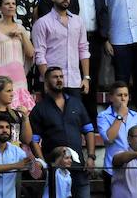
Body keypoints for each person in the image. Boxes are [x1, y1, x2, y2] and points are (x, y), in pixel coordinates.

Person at [38, 0, 108, 118]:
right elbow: (45, 7)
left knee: (90, 83)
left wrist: (105, 36)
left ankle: (89, 124)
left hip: (93, 39)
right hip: (63, 38)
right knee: (64, 85)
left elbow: (102, 9)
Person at [30, 67, 96, 198]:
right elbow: (34, 141)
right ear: (47, 81)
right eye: (55, 77)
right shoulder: (39, 108)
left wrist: (91, 156)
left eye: (61, 76)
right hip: (55, 170)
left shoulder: (76, 103)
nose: (59, 79)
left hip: (79, 167)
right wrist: (44, 164)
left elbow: (89, 130)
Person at [32, 0, 91, 95]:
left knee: (74, 112)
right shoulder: (42, 23)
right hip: (52, 82)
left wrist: (86, 78)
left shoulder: (78, 21)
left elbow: (83, 50)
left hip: (75, 81)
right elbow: (39, 54)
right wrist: (47, 81)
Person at [97, 81, 137, 183]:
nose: (123, 98)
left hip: (133, 168)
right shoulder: (103, 116)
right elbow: (109, 139)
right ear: (111, 98)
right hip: (112, 170)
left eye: (125, 95)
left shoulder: (136, 116)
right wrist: (120, 116)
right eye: (119, 95)